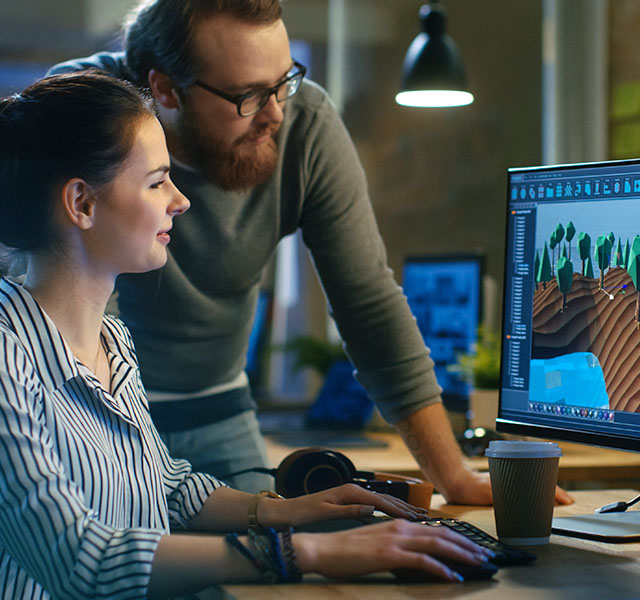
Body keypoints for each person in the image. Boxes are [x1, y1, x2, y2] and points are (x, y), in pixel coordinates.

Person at [50, 0, 574, 504]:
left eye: (284, 82)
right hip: (89, 411)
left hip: (219, 411)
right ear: (165, 90)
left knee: (262, 579)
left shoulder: (304, 122)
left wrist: (452, 475)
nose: (276, 115)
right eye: (248, 96)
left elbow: (368, 303)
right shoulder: (80, 114)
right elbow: (40, 296)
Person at [0, 71, 493, 599]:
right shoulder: (8, 356)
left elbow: (166, 487)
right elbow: (83, 559)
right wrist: (314, 551)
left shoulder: (112, 341)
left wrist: (291, 510)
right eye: (155, 181)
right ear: (82, 204)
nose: (180, 200)